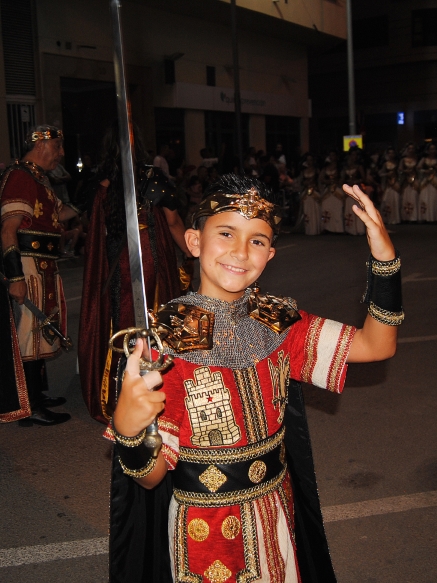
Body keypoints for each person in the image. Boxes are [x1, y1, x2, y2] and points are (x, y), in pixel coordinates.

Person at [108, 174, 403, 582]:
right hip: (205, 532)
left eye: (258, 241)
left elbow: (377, 345)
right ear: (194, 241)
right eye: (226, 233)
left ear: (270, 255)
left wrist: (385, 261)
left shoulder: (277, 320)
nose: (241, 251)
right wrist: (129, 431)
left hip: (276, 513)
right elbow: (152, 479)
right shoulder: (164, 342)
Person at [78, 124, 191, 424]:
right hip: (150, 259)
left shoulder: (102, 184)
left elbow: (97, 234)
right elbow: (173, 221)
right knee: (154, 321)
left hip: (118, 266)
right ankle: (158, 390)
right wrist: (193, 252)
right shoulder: (152, 178)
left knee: (123, 324)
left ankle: (122, 395)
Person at [0, 125, 77, 425]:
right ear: (40, 145)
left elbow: (61, 213)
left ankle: (37, 395)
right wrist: (16, 277)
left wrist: (93, 199)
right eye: (57, 146)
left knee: (40, 330)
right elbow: (8, 230)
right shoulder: (20, 177)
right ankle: (29, 406)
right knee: (30, 332)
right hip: (28, 264)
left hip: (43, 263)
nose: (61, 153)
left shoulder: (37, 179)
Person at [417, 143, 437, 222]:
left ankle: (435, 217)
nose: (432, 151)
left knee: (434, 198)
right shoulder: (424, 159)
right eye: (431, 149)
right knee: (424, 197)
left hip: (435, 180)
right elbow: (418, 168)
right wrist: (425, 171)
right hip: (426, 180)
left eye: (434, 149)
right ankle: (425, 217)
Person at [379, 147, 401, 225]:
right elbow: (380, 173)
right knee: (387, 201)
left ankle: (395, 218)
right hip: (388, 184)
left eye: (392, 153)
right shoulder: (385, 164)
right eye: (389, 153)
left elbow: (400, 173)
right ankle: (387, 218)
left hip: (396, 184)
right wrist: (387, 174)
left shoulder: (397, 163)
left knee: (396, 200)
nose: (391, 155)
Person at [399, 143, 419, 222]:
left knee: (414, 196)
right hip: (406, 180)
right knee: (405, 197)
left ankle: (414, 217)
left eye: (412, 148)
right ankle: (405, 217)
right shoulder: (403, 160)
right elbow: (400, 169)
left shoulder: (417, 159)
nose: (411, 150)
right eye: (409, 149)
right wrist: (405, 171)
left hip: (414, 179)